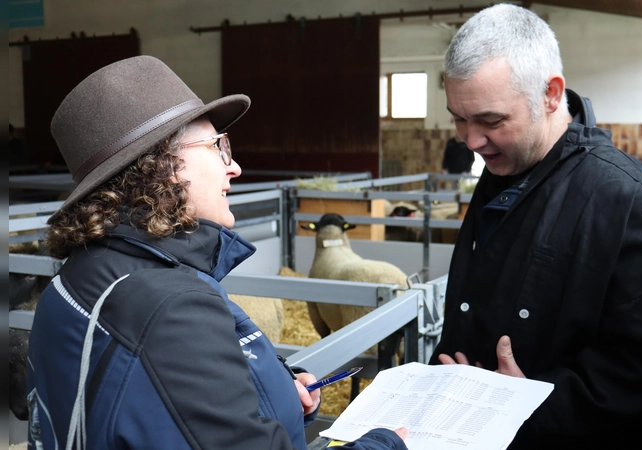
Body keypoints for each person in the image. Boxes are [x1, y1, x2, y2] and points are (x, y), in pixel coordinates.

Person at [26, 55, 407, 450]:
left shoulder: (75, 279)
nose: (234, 167)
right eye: (217, 146)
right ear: (162, 166)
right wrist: (385, 445)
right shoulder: (171, 308)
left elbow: (153, 407)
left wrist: (276, 389)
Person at [430, 5, 642, 449]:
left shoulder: (633, 204)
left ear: (551, 94)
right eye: (459, 118)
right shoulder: (508, 168)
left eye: (491, 120)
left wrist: (532, 405)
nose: (471, 141)